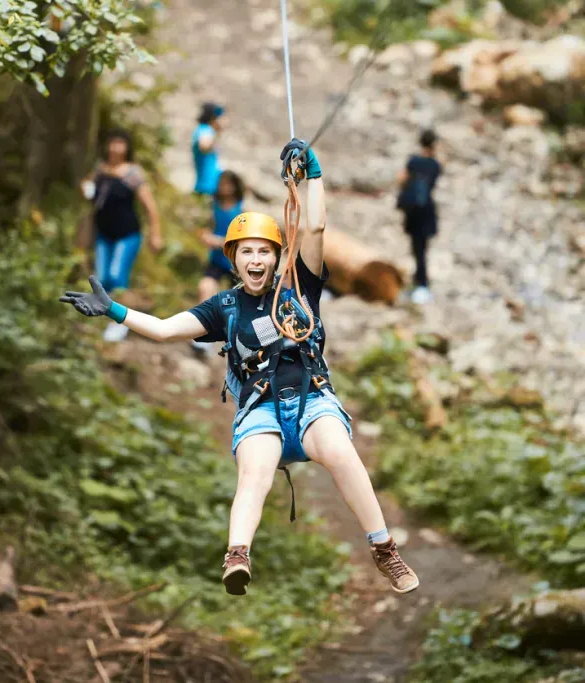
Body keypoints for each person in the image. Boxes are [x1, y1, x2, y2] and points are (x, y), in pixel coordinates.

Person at [62, 140, 419, 597]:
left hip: (311, 400)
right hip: (261, 410)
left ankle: (383, 547)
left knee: (340, 450)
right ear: (233, 258)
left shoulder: (300, 286)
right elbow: (167, 329)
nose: (256, 260)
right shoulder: (224, 308)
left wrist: (312, 174)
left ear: (276, 256)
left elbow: (315, 225)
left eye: (264, 252)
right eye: (246, 252)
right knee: (254, 474)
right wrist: (115, 310)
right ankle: (237, 555)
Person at [81, 129, 163, 342]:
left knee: (118, 276)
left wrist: (155, 234)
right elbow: (89, 188)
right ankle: (105, 318)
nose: (116, 148)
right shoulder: (101, 170)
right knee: (102, 278)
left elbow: (150, 206)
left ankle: (121, 323)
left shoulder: (132, 173)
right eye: (112, 143)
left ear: (127, 148)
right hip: (103, 233)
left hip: (127, 234)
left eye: (120, 143)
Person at [191, 170, 245, 355]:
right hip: (216, 261)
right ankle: (204, 332)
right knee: (205, 287)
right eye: (222, 184)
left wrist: (220, 241)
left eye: (229, 184)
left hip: (236, 264)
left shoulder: (242, 208)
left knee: (240, 305)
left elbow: (244, 238)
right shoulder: (212, 206)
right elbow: (202, 227)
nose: (225, 188)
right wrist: (205, 236)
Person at [396, 129, 442, 305]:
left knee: (416, 247)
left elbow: (402, 180)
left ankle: (419, 280)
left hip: (412, 210)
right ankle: (421, 282)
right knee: (422, 248)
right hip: (426, 209)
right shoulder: (435, 165)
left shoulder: (413, 161)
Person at [192, 103, 225, 196]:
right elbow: (204, 146)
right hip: (207, 187)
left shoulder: (208, 131)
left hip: (212, 185)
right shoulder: (205, 129)